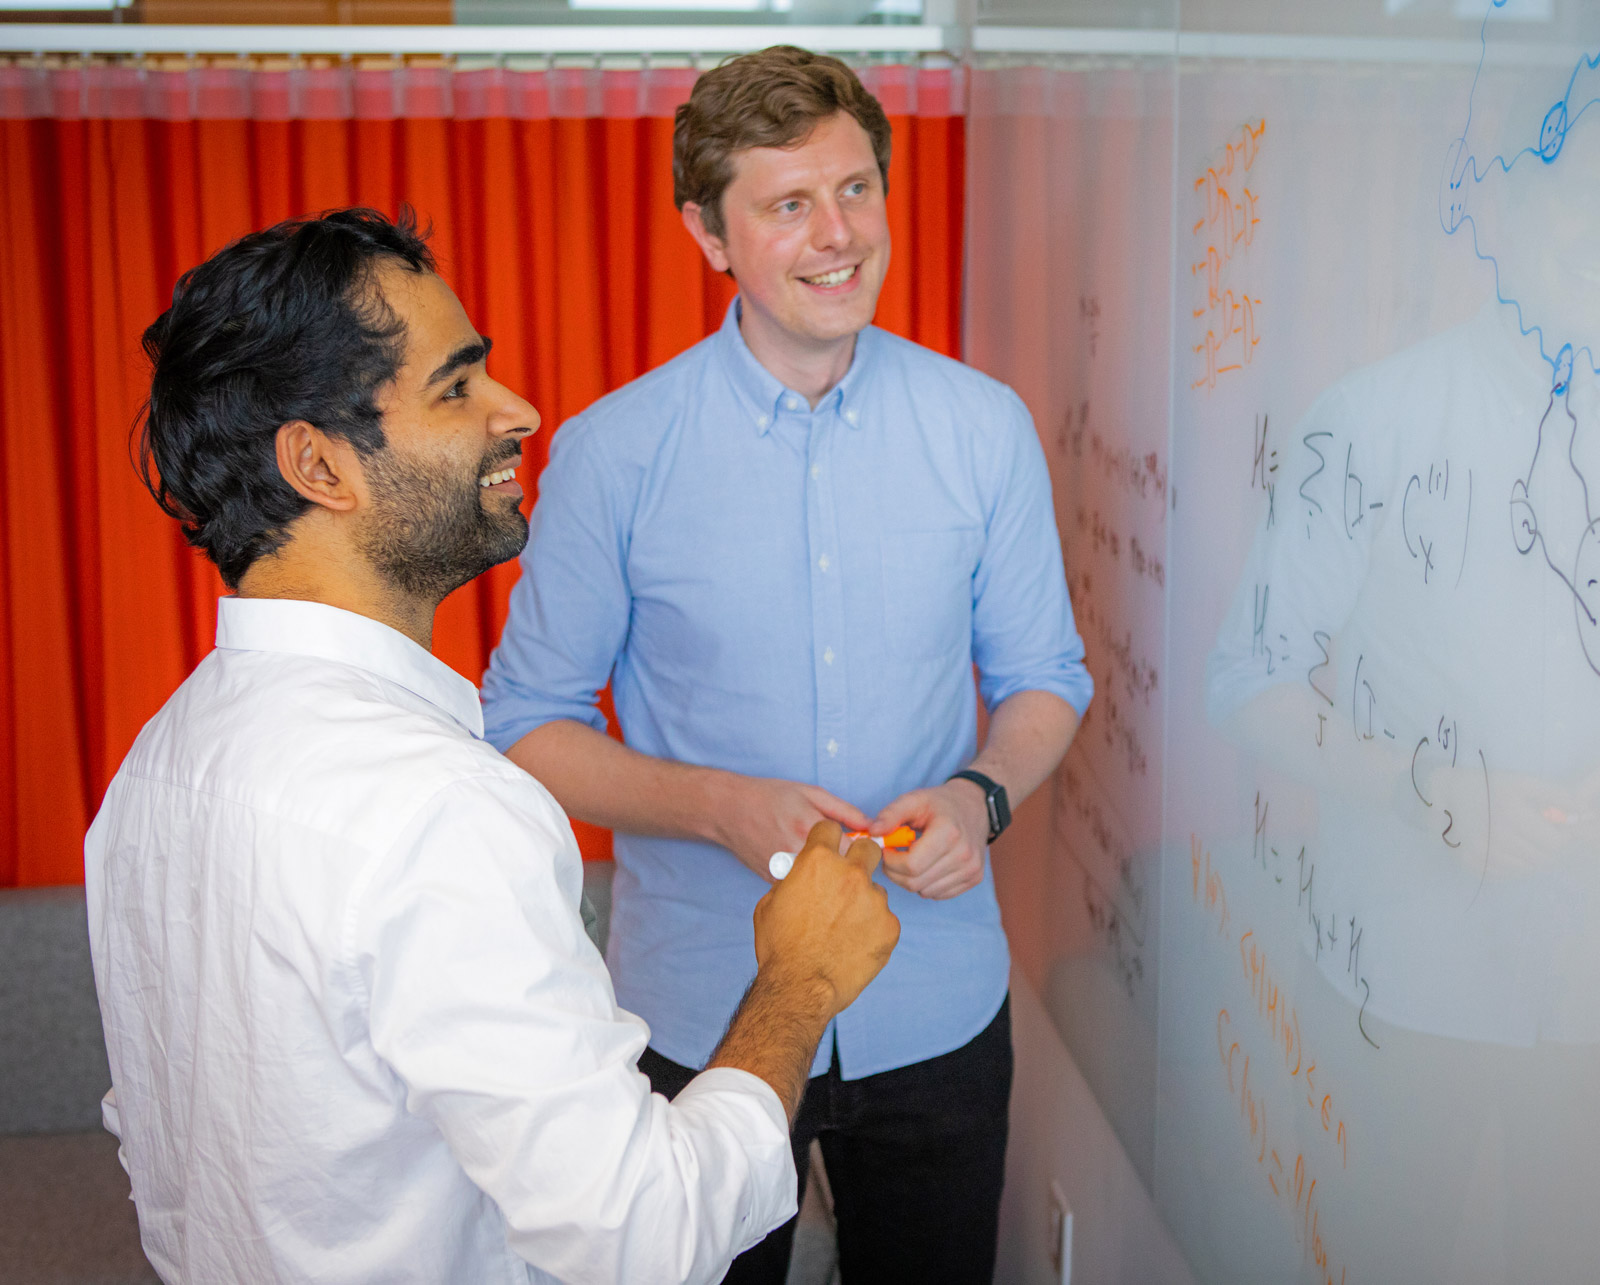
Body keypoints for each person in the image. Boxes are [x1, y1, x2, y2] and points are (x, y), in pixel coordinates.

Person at [84, 207, 900, 1285]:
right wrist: (798, 978)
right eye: (456, 386)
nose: (518, 412)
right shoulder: (438, 812)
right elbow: (642, 1235)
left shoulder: (161, 760)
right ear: (319, 465)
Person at [482, 46, 1093, 1282]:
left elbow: (1047, 676)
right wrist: (717, 805)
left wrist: (984, 795)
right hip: (707, 1008)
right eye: (788, 204)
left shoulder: (983, 428)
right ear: (708, 233)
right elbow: (525, 722)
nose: (838, 235)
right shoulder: (612, 453)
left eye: (856, 189)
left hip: (938, 999)